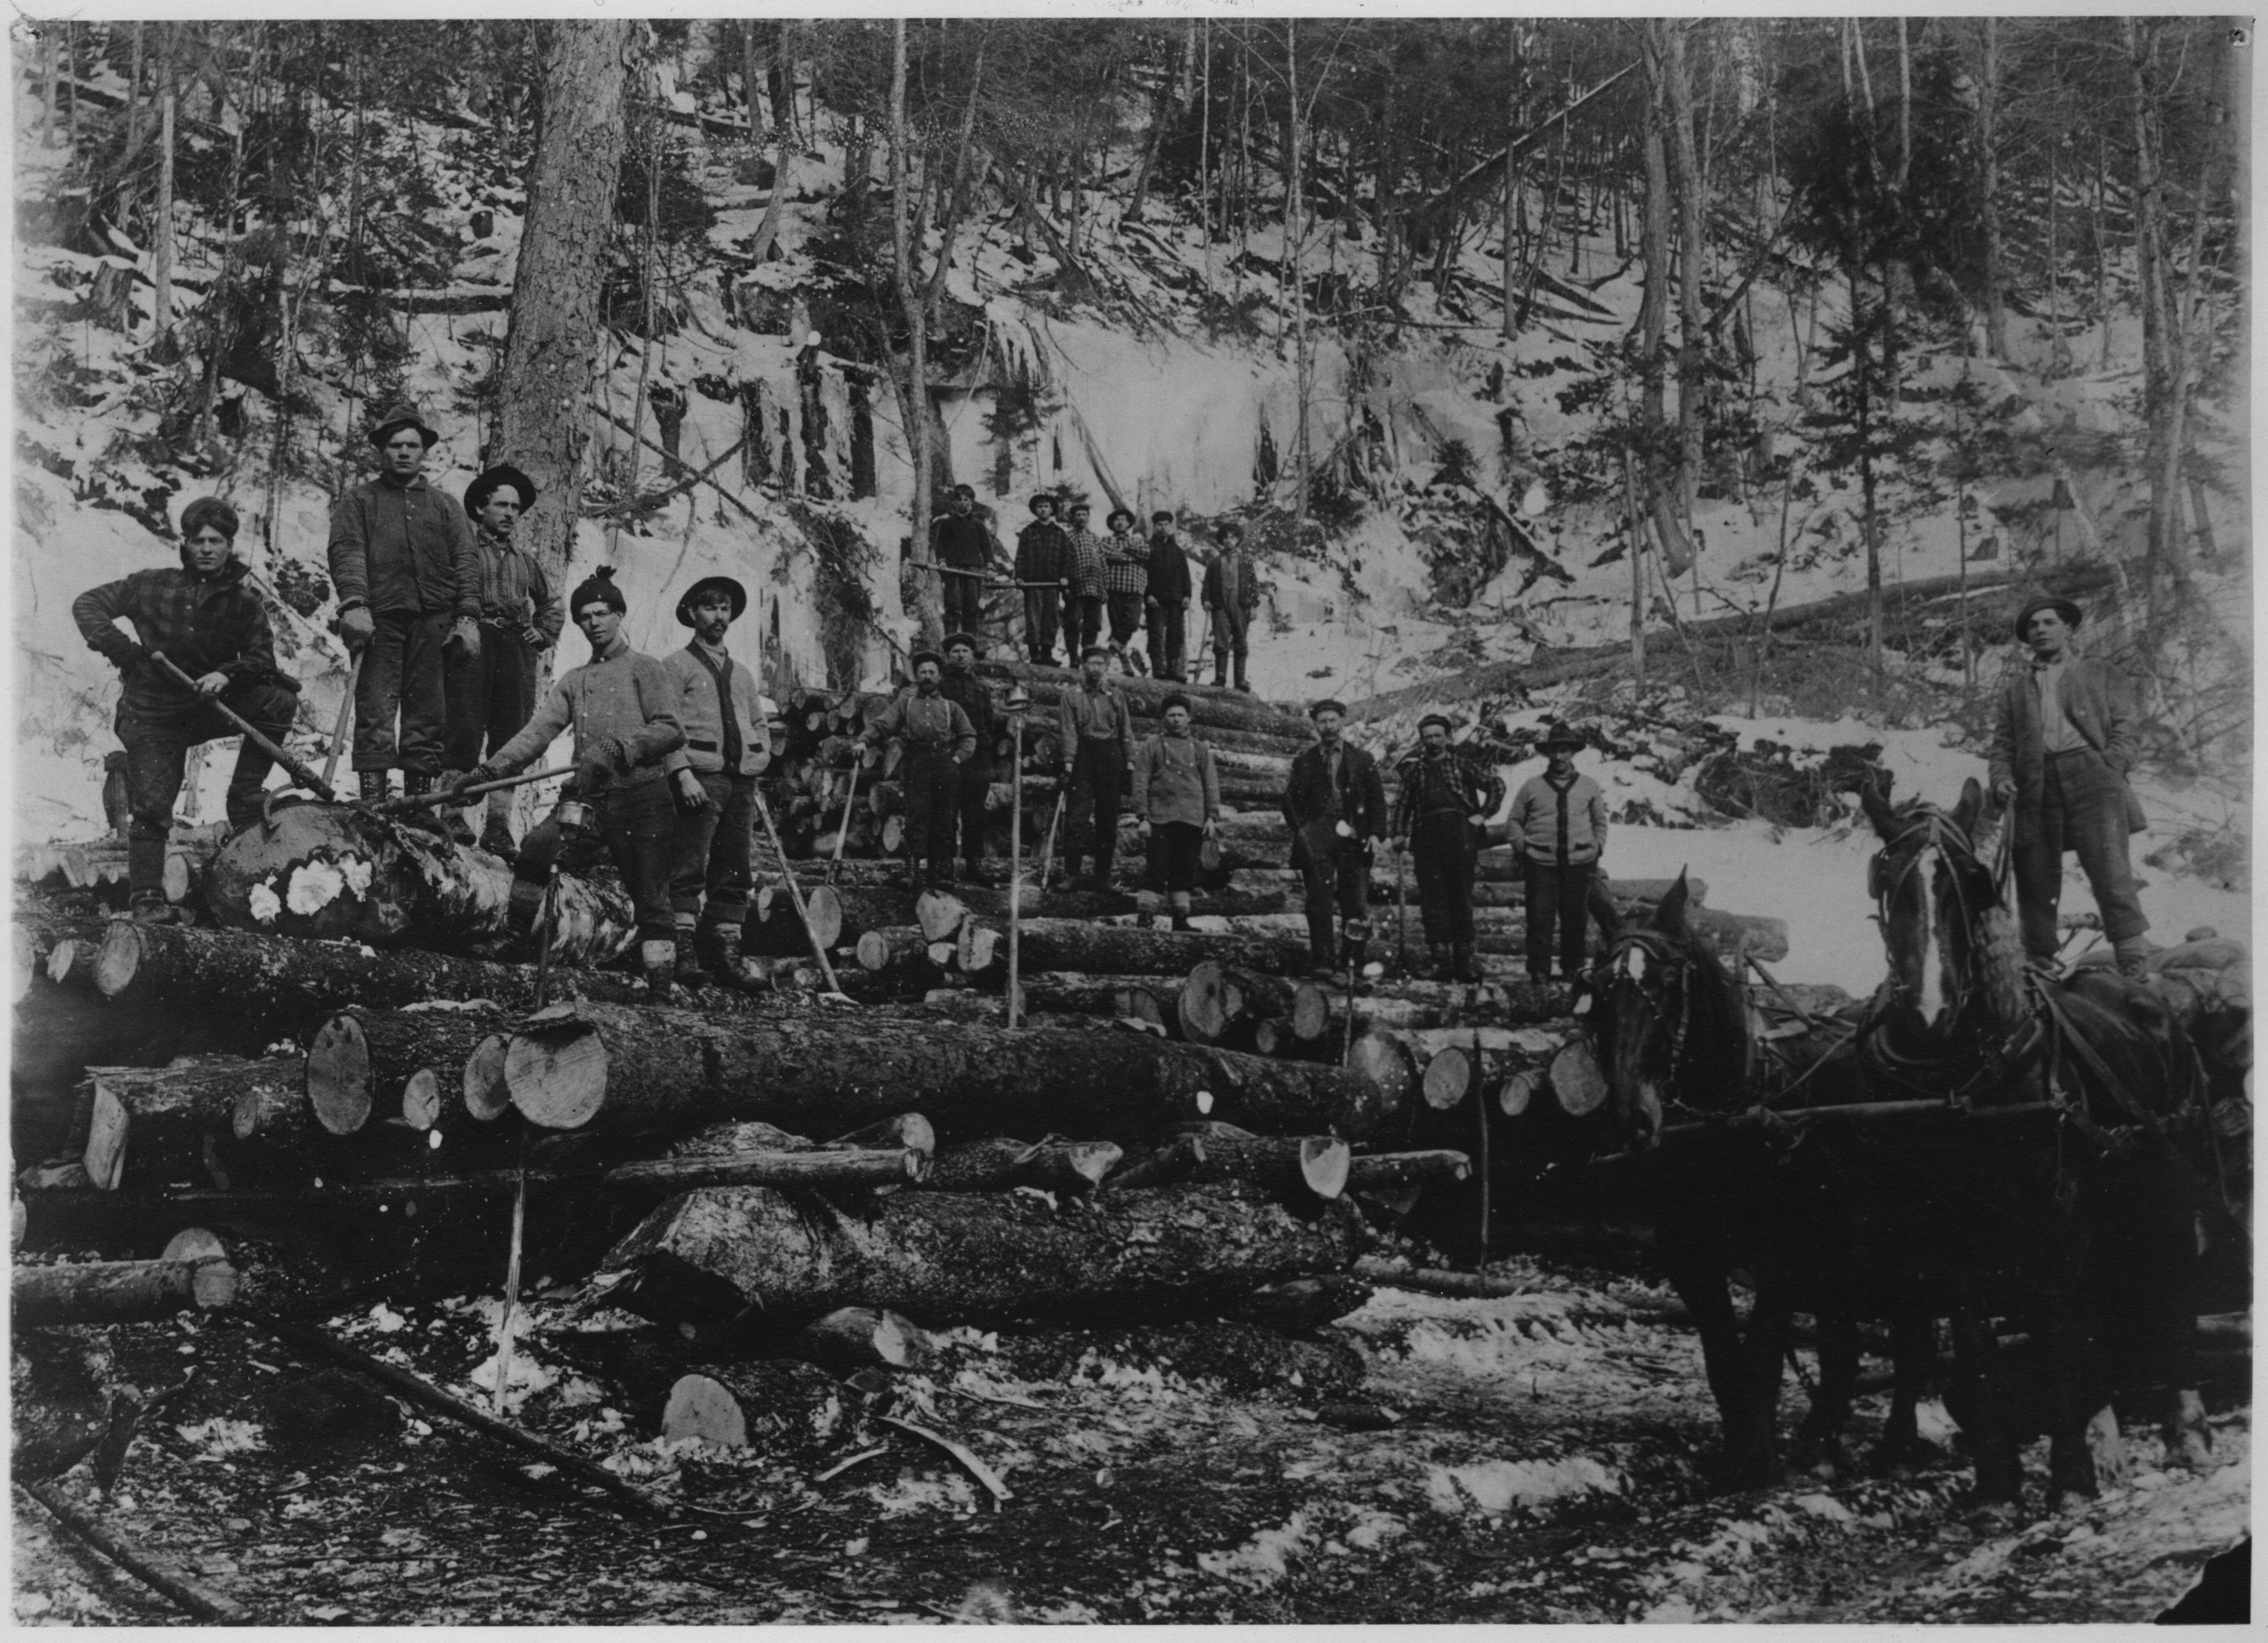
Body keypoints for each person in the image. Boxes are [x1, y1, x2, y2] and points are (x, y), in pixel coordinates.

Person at [444, 568, 687, 999]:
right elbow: (536, 734)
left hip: (642, 797)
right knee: (537, 851)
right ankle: (517, 942)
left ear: (619, 615)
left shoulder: (644, 667)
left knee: (651, 893)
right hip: (588, 799)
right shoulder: (575, 680)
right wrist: (489, 772)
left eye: (602, 614)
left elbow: (671, 729)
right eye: (585, 617)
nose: (594, 623)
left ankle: (661, 988)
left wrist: (622, 748)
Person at [73, 497, 302, 923]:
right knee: (153, 806)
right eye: (199, 541)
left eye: (217, 541)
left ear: (230, 545)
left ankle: (244, 794)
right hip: (151, 713)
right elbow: (88, 604)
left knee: (279, 699)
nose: (207, 549)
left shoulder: (244, 602)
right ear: (186, 543)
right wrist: (126, 653)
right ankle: (146, 900)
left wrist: (226, 674)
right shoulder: (150, 584)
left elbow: (262, 660)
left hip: (206, 707)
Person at [1986, 594, 2152, 975]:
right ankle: (2039, 964)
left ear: (2069, 629)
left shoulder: (2101, 673)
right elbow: (2002, 745)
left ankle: (2133, 964)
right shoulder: (2016, 690)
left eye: (2049, 623)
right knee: (2034, 877)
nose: (2041, 630)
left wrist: (2111, 766)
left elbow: (2128, 727)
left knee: (2111, 872)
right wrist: (2002, 779)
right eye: (2033, 626)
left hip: (2093, 778)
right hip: (2035, 785)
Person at [328, 404, 483, 805]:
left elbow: (466, 561)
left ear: (423, 451)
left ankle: (418, 805)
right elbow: (347, 551)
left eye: (412, 445)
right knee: (375, 709)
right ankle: (373, 803)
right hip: (379, 620)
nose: (403, 452)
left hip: (435, 622)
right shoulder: (360, 501)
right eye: (395, 445)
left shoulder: (446, 505)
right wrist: (355, 604)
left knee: (428, 713)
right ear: (383, 450)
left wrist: (468, 618)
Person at [444, 463, 562, 856]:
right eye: (502, 505)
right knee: (462, 727)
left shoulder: (526, 561)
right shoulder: (464, 553)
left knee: (510, 736)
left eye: (515, 507)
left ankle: (498, 826)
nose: (510, 513)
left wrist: (541, 633)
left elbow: (552, 604)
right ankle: (452, 814)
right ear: (481, 509)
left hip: (515, 651)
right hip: (473, 645)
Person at [658, 574, 769, 990]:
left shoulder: (742, 674)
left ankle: (727, 956)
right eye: (710, 607)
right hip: (698, 781)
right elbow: (663, 725)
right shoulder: (676, 666)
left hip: (741, 784)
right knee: (687, 866)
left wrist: (758, 758)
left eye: (725, 608)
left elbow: (759, 723)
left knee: (735, 869)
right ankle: (682, 951)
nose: (719, 616)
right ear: (692, 613)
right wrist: (681, 772)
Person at [1392, 714, 1506, 982]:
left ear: (1448, 737)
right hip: (1427, 838)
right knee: (1433, 899)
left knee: (1461, 898)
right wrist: (1398, 832)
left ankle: (1463, 963)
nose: (1433, 741)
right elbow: (1402, 805)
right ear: (1422, 741)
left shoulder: (1461, 764)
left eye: (1438, 736)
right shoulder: (1416, 771)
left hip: (1459, 836)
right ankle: (1440, 962)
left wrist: (1481, 816)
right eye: (1428, 737)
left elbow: (1496, 785)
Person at [1282, 699, 1388, 977]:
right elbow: (1289, 801)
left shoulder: (1362, 759)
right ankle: (1324, 962)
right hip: (1317, 836)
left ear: (1342, 722)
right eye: (1322, 721)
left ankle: (1352, 963)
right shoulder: (1305, 761)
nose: (1328, 726)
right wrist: (1302, 831)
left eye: (1332, 720)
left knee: (1356, 902)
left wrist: (1375, 833)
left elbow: (1377, 801)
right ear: (1316, 726)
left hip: (1353, 835)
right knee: (1319, 900)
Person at [863, 650, 977, 892]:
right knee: (917, 816)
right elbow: (882, 725)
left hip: (945, 764)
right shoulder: (905, 705)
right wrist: (864, 741)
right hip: (916, 763)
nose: (927, 676)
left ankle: (940, 871)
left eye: (932, 672)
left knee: (945, 819)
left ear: (939, 676)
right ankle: (913, 871)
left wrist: (957, 759)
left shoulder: (951, 708)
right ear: (916, 676)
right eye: (923, 672)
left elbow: (969, 736)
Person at [1508, 722, 1610, 983]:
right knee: (1539, 919)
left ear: (1572, 753)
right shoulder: (1532, 786)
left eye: (1564, 751)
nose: (1558, 756)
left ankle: (1572, 970)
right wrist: (1523, 848)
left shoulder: (1589, 785)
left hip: (1580, 864)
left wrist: (1598, 846)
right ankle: (1539, 971)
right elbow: (1514, 821)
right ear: (1547, 754)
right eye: (1553, 751)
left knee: (1575, 919)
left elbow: (1600, 821)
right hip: (1541, 864)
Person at [1132, 693, 1220, 931]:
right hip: (1160, 818)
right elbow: (1140, 782)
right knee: (1156, 868)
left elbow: (1211, 784)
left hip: (1192, 819)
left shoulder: (1200, 749)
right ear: (1164, 718)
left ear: (1189, 718)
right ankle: (1146, 917)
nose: (1177, 720)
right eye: (1172, 715)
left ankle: (1180, 919)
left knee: (1185, 870)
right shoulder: (1152, 746)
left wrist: (1211, 817)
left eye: (1181, 715)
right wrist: (1143, 817)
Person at [1055, 644, 1135, 890]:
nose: (1096, 668)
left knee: (1107, 819)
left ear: (1107, 667)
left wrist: (1130, 762)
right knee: (1077, 818)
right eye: (1091, 663)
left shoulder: (1116, 696)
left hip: (1111, 756)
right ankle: (1072, 875)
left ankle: (1103, 877)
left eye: (1100, 664)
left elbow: (1126, 731)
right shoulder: (1071, 696)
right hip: (1084, 756)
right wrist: (1069, 762)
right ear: (1083, 666)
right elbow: (1068, 731)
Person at [939, 632, 1001, 883]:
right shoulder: (941, 686)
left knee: (975, 814)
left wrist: (984, 746)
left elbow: (989, 721)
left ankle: (974, 866)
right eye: (956, 652)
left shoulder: (981, 688)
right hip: (950, 756)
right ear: (948, 656)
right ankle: (946, 866)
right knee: (948, 812)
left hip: (978, 759)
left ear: (972, 656)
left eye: (965, 651)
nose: (961, 656)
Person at [1201, 520, 1260, 693]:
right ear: (1221, 540)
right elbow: (1207, 585)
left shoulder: (1246, 561)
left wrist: (1254, 606)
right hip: (1220, 607)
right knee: (1221, 643)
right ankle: (1220, 679)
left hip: (1240, 606)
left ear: (1238, 540)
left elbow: (1254, 585)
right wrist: (1206, 600)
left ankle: (1240, 680)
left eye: (1233, 537)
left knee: (1240, 642)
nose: (1229, 540)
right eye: (1226, 537)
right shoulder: (1215, 562)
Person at [930, 483, 992, 646]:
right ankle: (950, 645)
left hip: (973, 571)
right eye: (959, 500)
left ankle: (969, 646)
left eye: (966, 500)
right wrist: (942, 561)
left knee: (971, 609)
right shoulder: (947, 523)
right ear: (955, 503)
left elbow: (987, 548)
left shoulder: (978, 525)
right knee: (953, 607)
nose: (963, 503)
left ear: (972, 503)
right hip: (953, 570)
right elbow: (941, 546)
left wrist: (990, 567)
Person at [1015, 494, 1073, 667]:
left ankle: (1047, 654)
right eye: (1040, 506)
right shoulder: (1028, 531)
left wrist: (1064, 576)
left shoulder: (1060, 533)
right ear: (1035, 510)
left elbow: (1067, 557)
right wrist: (1020, 576)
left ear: (1052, 510)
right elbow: (1021, 556)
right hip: (1033, 583)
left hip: (1053, 584)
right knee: (1033, 618)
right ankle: (1035, 654)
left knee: (1051, 618)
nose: (1043, 509)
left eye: (1046, 506)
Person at [1145, 510, 1192, 683]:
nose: (1163, 528)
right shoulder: (1148, 548)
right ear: (1154, 527)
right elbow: (1142, 574)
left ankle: (1173, 670)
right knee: (1156, 634)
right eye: (1160, 525)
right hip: (1155, 600)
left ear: (1171, 527)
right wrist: (1147, 595)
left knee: (1175, 635)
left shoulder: (1178, 551)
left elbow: (1185, 575)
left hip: (1176, 600)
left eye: (1166, 525)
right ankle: (1159, 670)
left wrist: (1187, 595)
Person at [1102, 508, 1150, 674]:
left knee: (1132, 623)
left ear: (1129, 524)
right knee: (1117, 626)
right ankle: (1124, 664)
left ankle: (1111, 650)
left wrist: (1122, 553)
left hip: (1135, 588)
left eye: (1123, 519)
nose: (1120, 522)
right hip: (1114, 587)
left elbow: (1146, 553)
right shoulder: (1107, 540)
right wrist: (1131, 557)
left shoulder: (1137, 540)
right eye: (1117, 520)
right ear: (1112, 524)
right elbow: (1108, 553)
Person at [1064, 501, 1108, 658]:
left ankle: (1087, 657)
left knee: (1094, 624)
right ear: (1073, 518)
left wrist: (1104, 588)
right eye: (1078, 515)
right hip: (1076, 586)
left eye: (1084, 515)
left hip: (1095, 588)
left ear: (1089, 518)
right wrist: (1066, 586)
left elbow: (1103, 563)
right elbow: (1063, 562)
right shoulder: (1067, 536)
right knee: (1073, 623)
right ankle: (1073, 658)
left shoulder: (1095, 538)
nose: (1081, 518)